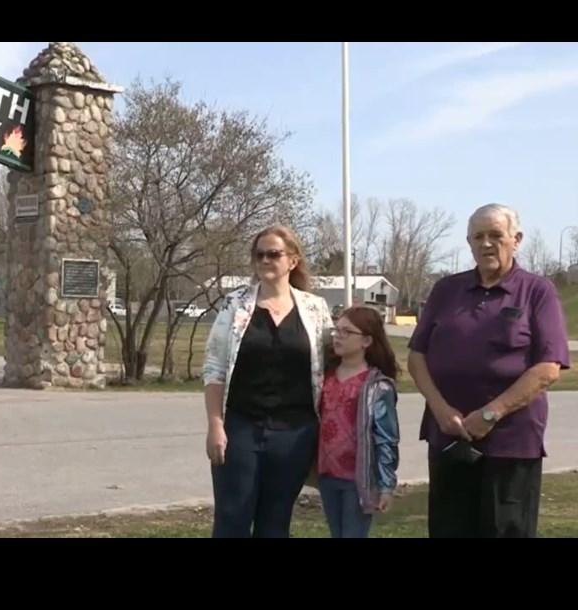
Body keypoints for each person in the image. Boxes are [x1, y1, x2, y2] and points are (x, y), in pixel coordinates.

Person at [407, 203, 570, 538]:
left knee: (504, 530)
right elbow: (416, 356)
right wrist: (439, 409)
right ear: (468, 242)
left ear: (516, 239)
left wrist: (491, 413)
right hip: (449, 438)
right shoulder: (446, 290)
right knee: (449, 529)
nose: (486, 243)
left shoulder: (537, 291)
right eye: (477, 236)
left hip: (511, 444)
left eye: (496, 235)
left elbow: (548, 368)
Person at [201, 225, 334, 538]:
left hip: (295, 435)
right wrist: (215, 425)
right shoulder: (235, 305)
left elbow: (333, 363)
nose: (264, 260)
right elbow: (214, 368)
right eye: (258, 254)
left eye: (273, 254)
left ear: (293, 261)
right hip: (241, 429)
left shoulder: (315, 309)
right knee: (231, 521)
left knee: (275, 525)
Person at [317, 306, 401, 538]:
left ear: (366, 341)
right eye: (336, 330)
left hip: (357, 480)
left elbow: (386, 438)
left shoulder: (377, 386)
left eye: (346, 332)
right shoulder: (324, 376)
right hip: (327, 476)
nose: (337, 336)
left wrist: (385, 486)